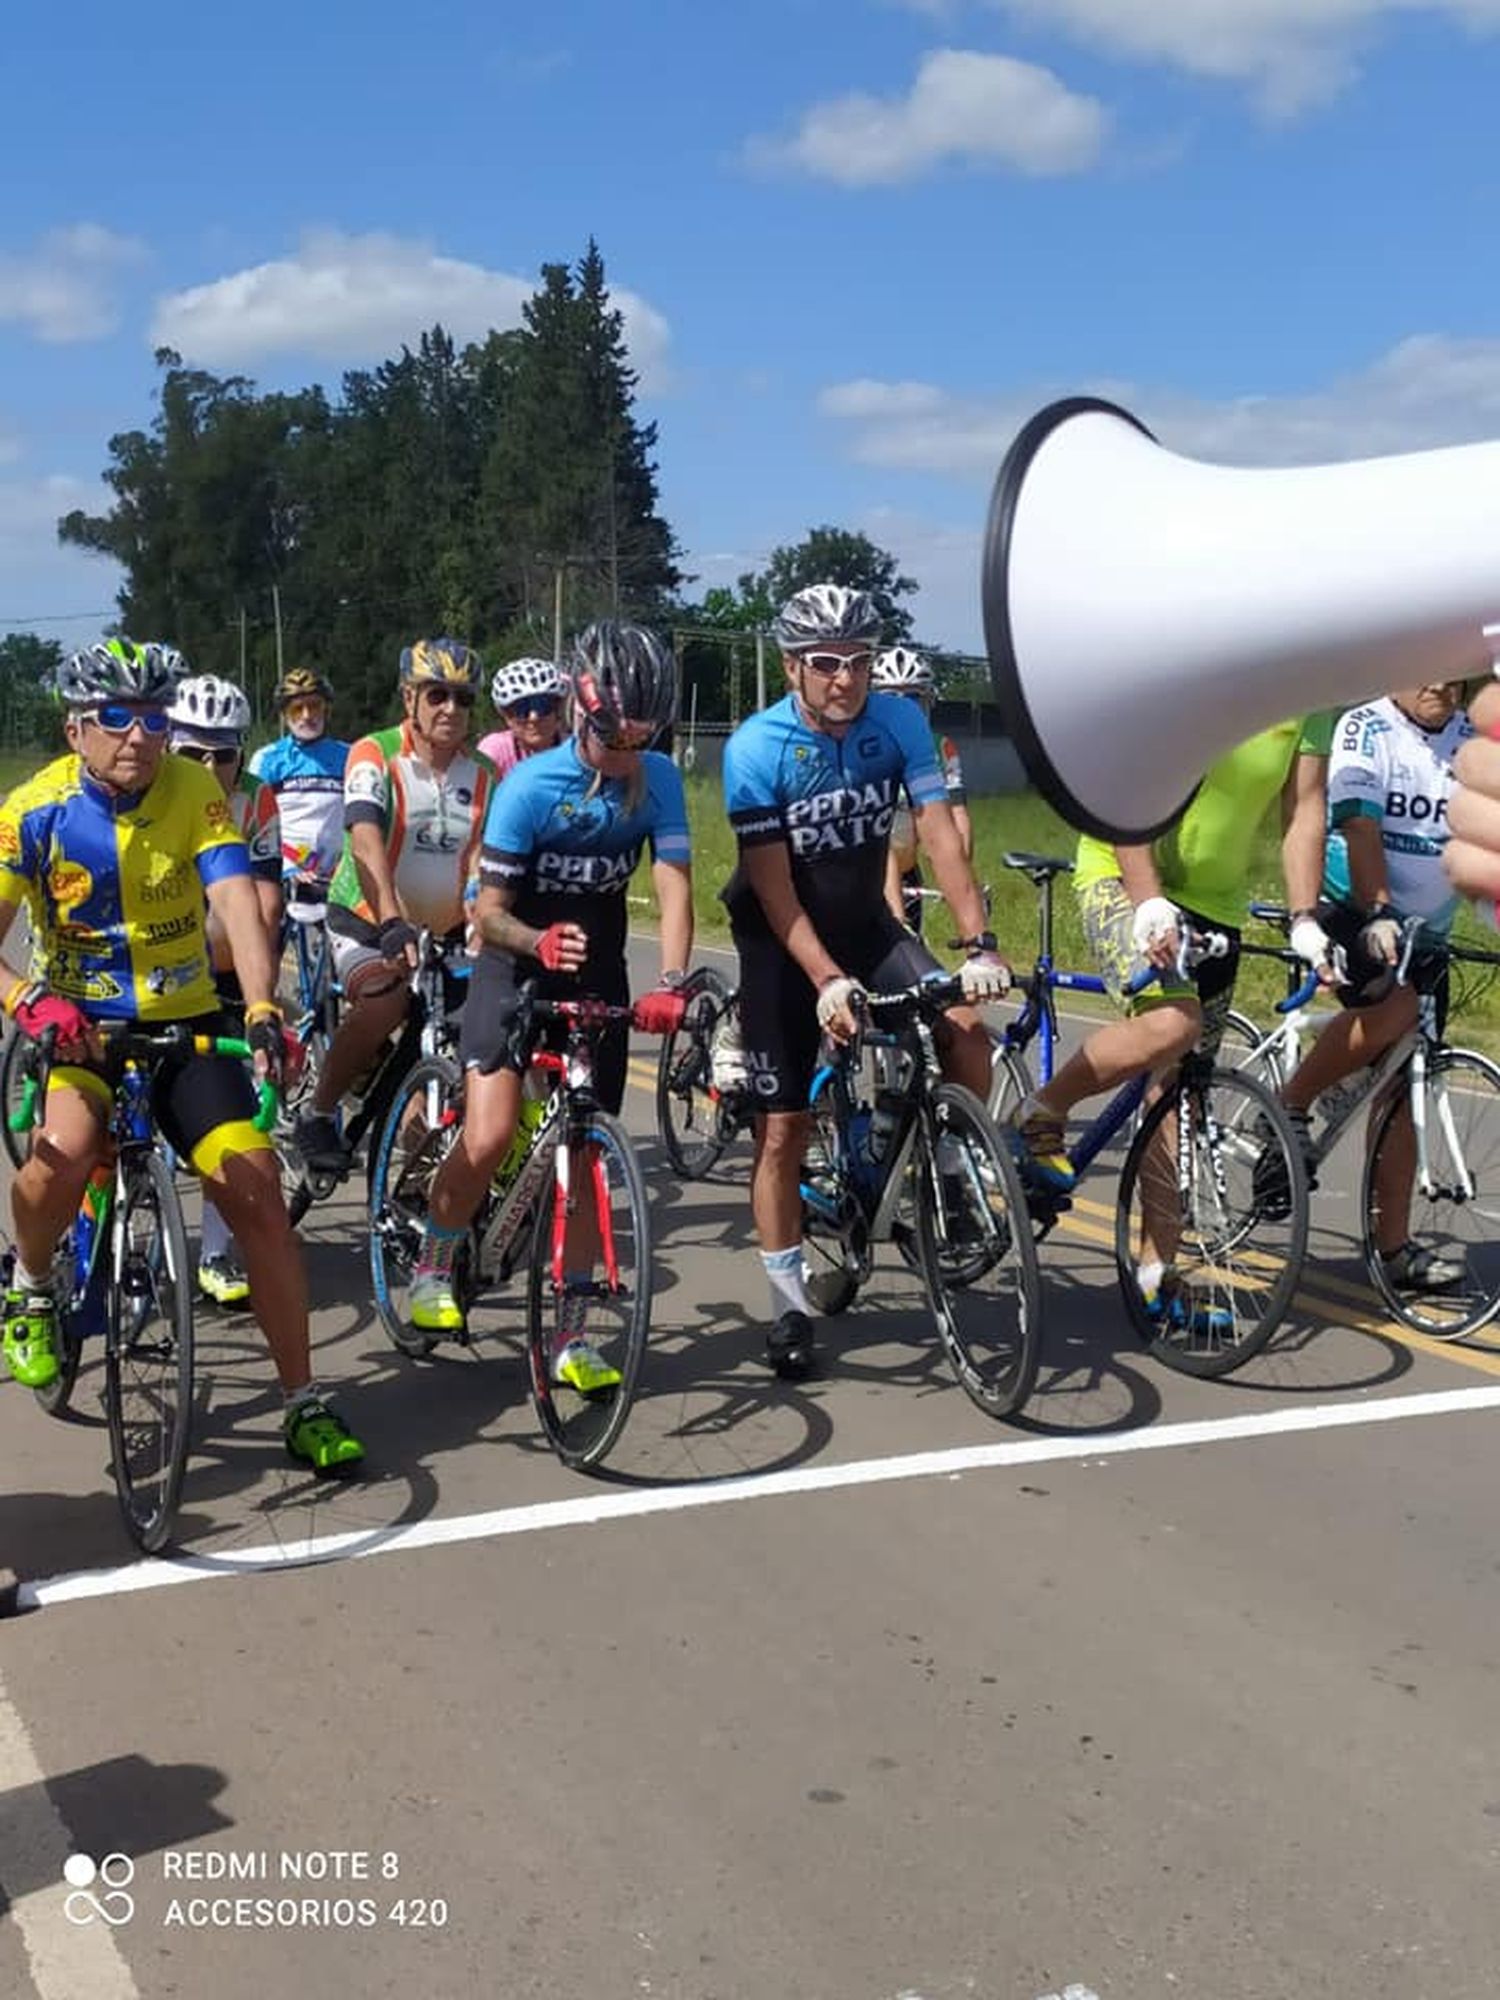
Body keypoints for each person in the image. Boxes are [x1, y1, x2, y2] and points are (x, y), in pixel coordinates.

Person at [0, 639, 362, 1473]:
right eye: (117, 719)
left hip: (184, 1024)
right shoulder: (34, 809)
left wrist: (265, 1004)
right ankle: (30, 1281)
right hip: (83, 1028)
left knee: (259, 1194)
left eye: (154, 718)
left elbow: (237, 897)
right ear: (75, 728)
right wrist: (30, 1001)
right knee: (60, 1159)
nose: (139, 736)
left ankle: (302, 1399)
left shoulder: (196, 789)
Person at [721, 584, 1009, 1381]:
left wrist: (976, 943)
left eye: (858, 663)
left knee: (964, 1032)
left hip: (867, 922)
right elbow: (775, 890)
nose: (845, 680)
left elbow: (940, 835)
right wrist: (824, 979)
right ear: (792, 667)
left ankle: (946, 1175)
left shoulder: (900, 722)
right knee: (782, 1128)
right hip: (781, 942)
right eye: (826, 664)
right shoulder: (755, 748)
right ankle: (787, 1304)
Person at [408, 621, 692, 1377]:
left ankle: (572, 1333)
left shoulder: (658, 779)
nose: (627, 755)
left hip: (594, 962)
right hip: (516, 953)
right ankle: (435, 1258)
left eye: (642, 738)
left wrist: (671, 982)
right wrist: (534, 942)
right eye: (613, 738)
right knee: (493, 1130)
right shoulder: (531, 788)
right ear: (581, 714)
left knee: (588, 1153)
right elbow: (487, 914)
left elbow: (672, 884)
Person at [1008, 712, 1337, 1334]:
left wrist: (1304, 918)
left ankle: (1157, 1273)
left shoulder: (1312, 695)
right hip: (1122, 873)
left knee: (1178, 1094)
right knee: (1172, 1022)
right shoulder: (1208, 653)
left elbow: (1305, 811)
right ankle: (1039, 1113)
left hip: (1217, 907)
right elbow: (1131, 787)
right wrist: (1149, 900)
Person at [1275, 679, 1472, 1289]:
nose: (1439, 682)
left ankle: (1393, 1250)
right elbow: (1359, 828)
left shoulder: (1472, 739)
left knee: (1403, 1091)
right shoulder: (1365, 724)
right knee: (1399, 1013)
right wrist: (1380, 908)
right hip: (1354, 907)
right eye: (1425, 668)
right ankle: (1288, 1106)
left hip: (1427, 932)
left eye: (1452, 670)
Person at [294, 638, 497, 1173]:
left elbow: (478, 860)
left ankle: (413, 1172)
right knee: (386, 1001)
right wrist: (390, 920)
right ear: (410, 698)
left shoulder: (481, 775)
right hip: (364, 920)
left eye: (463, 698)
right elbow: (364, 839)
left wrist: (479, 922)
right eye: (437, 695)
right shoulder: (373, 753)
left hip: (442, 933)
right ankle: (318, 1111)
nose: (451, 709)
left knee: (471, 1027)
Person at [167, 673, 284, 1306]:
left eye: (224, 753)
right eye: (194, 752)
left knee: (231, 1115)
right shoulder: (153, 793)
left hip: (227, 961)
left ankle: (215, 1252)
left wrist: (255, 991)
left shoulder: (256, 801)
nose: (211, 765)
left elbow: (262, 902)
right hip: (147, 965)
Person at [871, 646, 973, 934]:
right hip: (868, 866)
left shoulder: (942, 747)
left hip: (907, 869)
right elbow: (879, 841)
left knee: (911, 965)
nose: (904, 707)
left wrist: (962, 875)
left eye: (913, 698)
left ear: (928, 702)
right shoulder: (866, 748)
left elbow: (958, 814)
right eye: (891, 699)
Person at [247, 667, 349, 892]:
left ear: (326, 709)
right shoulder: (267, 758)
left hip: (339, 876)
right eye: (296, 709)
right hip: (285, 874)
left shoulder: (350, 755)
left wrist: (347, 866)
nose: (306, 715)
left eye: (314, 706)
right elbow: (255, 825)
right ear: (284, 716)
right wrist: (292, 865)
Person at [476, 656, 567, 776]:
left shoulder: (576, 750)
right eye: (522, 708)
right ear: (506, 715)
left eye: (543, 705)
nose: (534, 717)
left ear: (557, 709)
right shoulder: (494, 750)